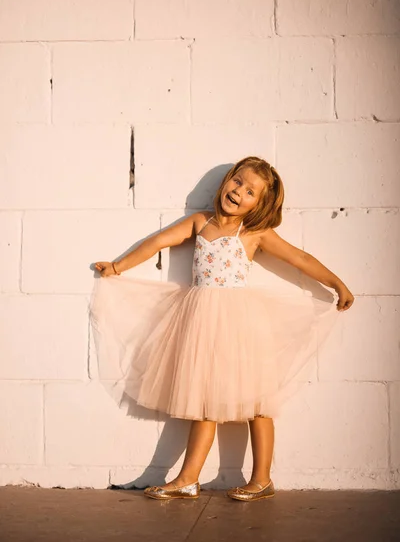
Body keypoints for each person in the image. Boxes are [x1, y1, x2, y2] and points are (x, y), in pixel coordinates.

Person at [91, 156, 354, 502]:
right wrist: (118, 266)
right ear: (226, 180)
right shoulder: (201, 222)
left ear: (258, 205)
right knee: (204, 400)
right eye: (237, 182)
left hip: (240, 325)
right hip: (200, 322)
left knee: (258, 401)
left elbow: (299, 258)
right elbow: (158, 242)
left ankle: (262, 478)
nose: (238, 192)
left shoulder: (254, 233)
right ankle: (188, 478)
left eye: (250, 192)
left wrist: (336, 282)